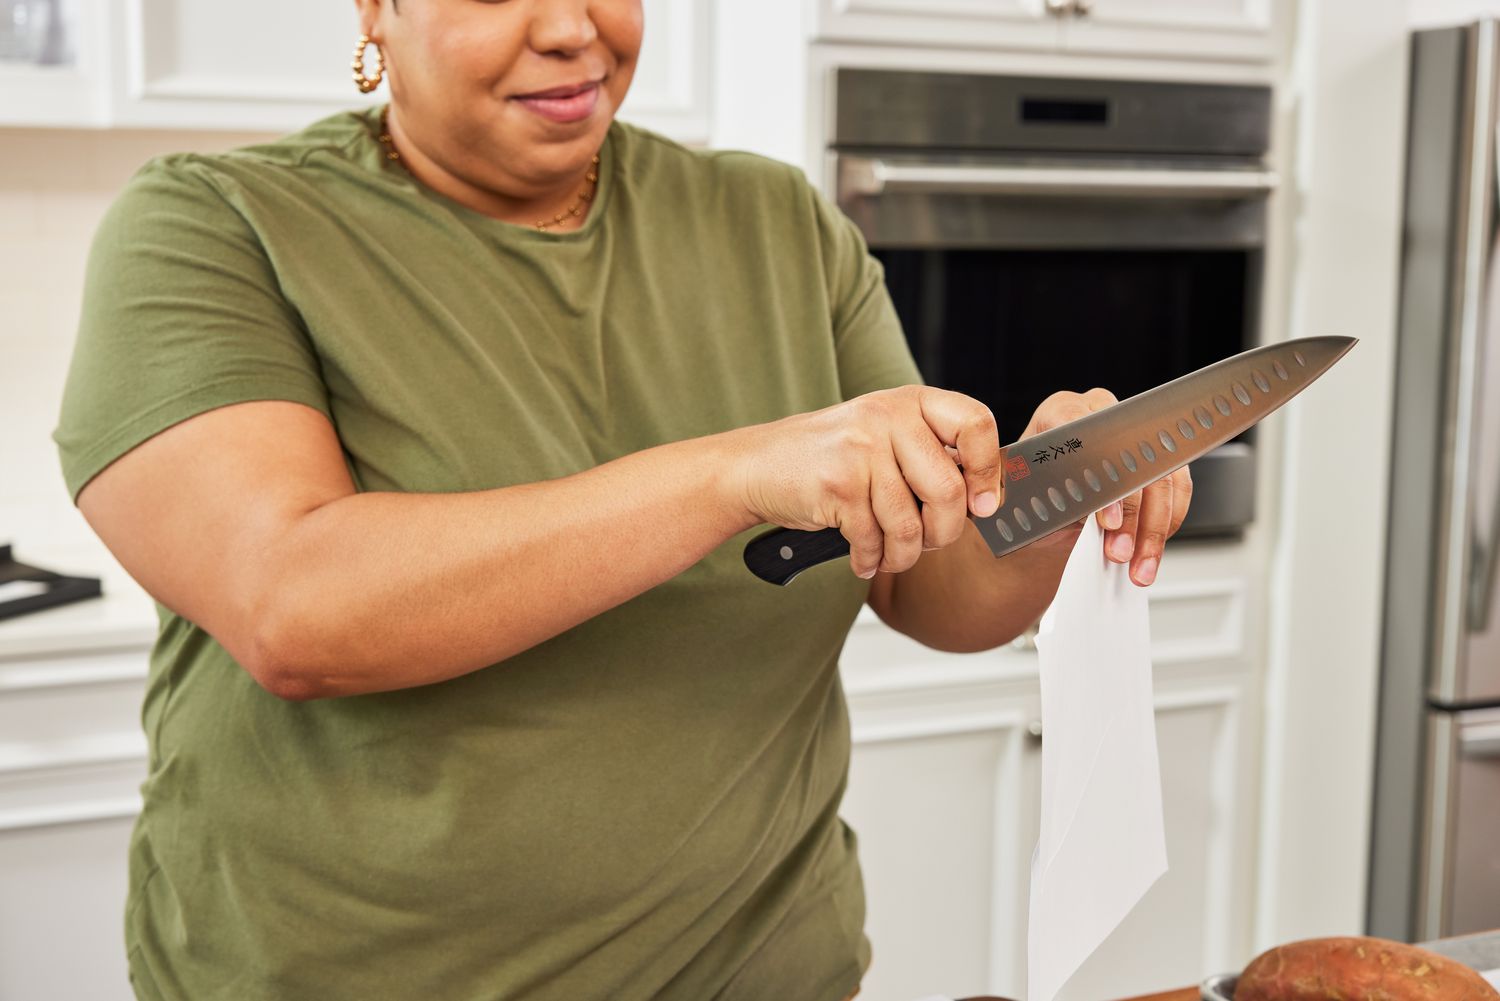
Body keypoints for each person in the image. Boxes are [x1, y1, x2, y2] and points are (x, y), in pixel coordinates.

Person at [51, 1, 1192, 999]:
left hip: (773, 967)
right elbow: (296, 607)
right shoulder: (214, 225)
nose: (570, 24)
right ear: (373, 8)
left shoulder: (774, 222)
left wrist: (1053, 493)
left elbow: (930, 585)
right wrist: (728, 472)